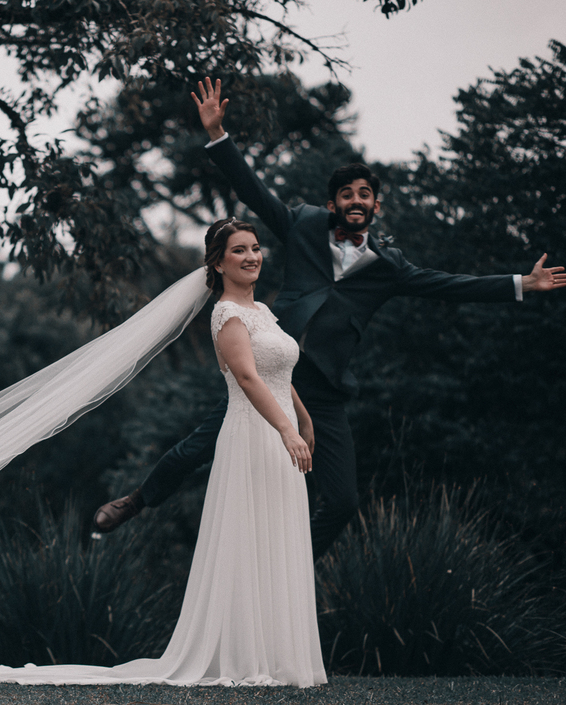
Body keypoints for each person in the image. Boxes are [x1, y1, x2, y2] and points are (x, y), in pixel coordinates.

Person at [93, 77, 566, 558]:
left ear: (376, 206)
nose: (356, 200)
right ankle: (136, 501)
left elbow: (449, 286)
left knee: (341, 502)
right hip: (272, 368)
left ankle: (288, 569)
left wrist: (521, 284)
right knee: (196, 448)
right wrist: (219, 136)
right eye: (346, 194)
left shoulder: (389, 268)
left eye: (365, 194)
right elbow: (255, 194)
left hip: (327, 390)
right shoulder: (302, 226)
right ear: (332, 203)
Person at [0, 218, 327, 686]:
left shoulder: (265, 313)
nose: (252, 257)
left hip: (281, 428)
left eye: (255, 248)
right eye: (239, 251)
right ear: (218, 261)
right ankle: (244, 656)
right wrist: (284, 432)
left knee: (277, 529)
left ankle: (280, 656)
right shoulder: (227, 314)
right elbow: (249, 379)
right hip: (254, 433)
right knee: (252, 531)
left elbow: (280, 373)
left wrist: (304, 419)